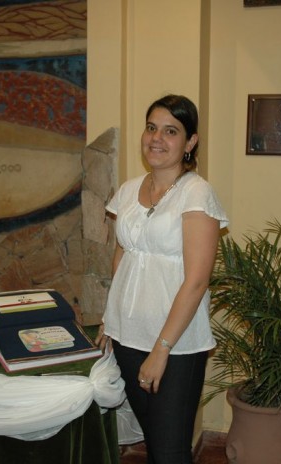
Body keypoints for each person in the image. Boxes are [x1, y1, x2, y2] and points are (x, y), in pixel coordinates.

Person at [96, 94, 229, 463]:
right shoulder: (128, 190)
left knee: (170, 452)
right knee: (154, 443)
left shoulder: (196, 193)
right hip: (127, 334)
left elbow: (197, 281)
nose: (156, 138)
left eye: (171, 131)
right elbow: (123, 255)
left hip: (176, 343)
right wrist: (110, 318)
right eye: (151, 128)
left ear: (190, 142)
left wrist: (161, 349)